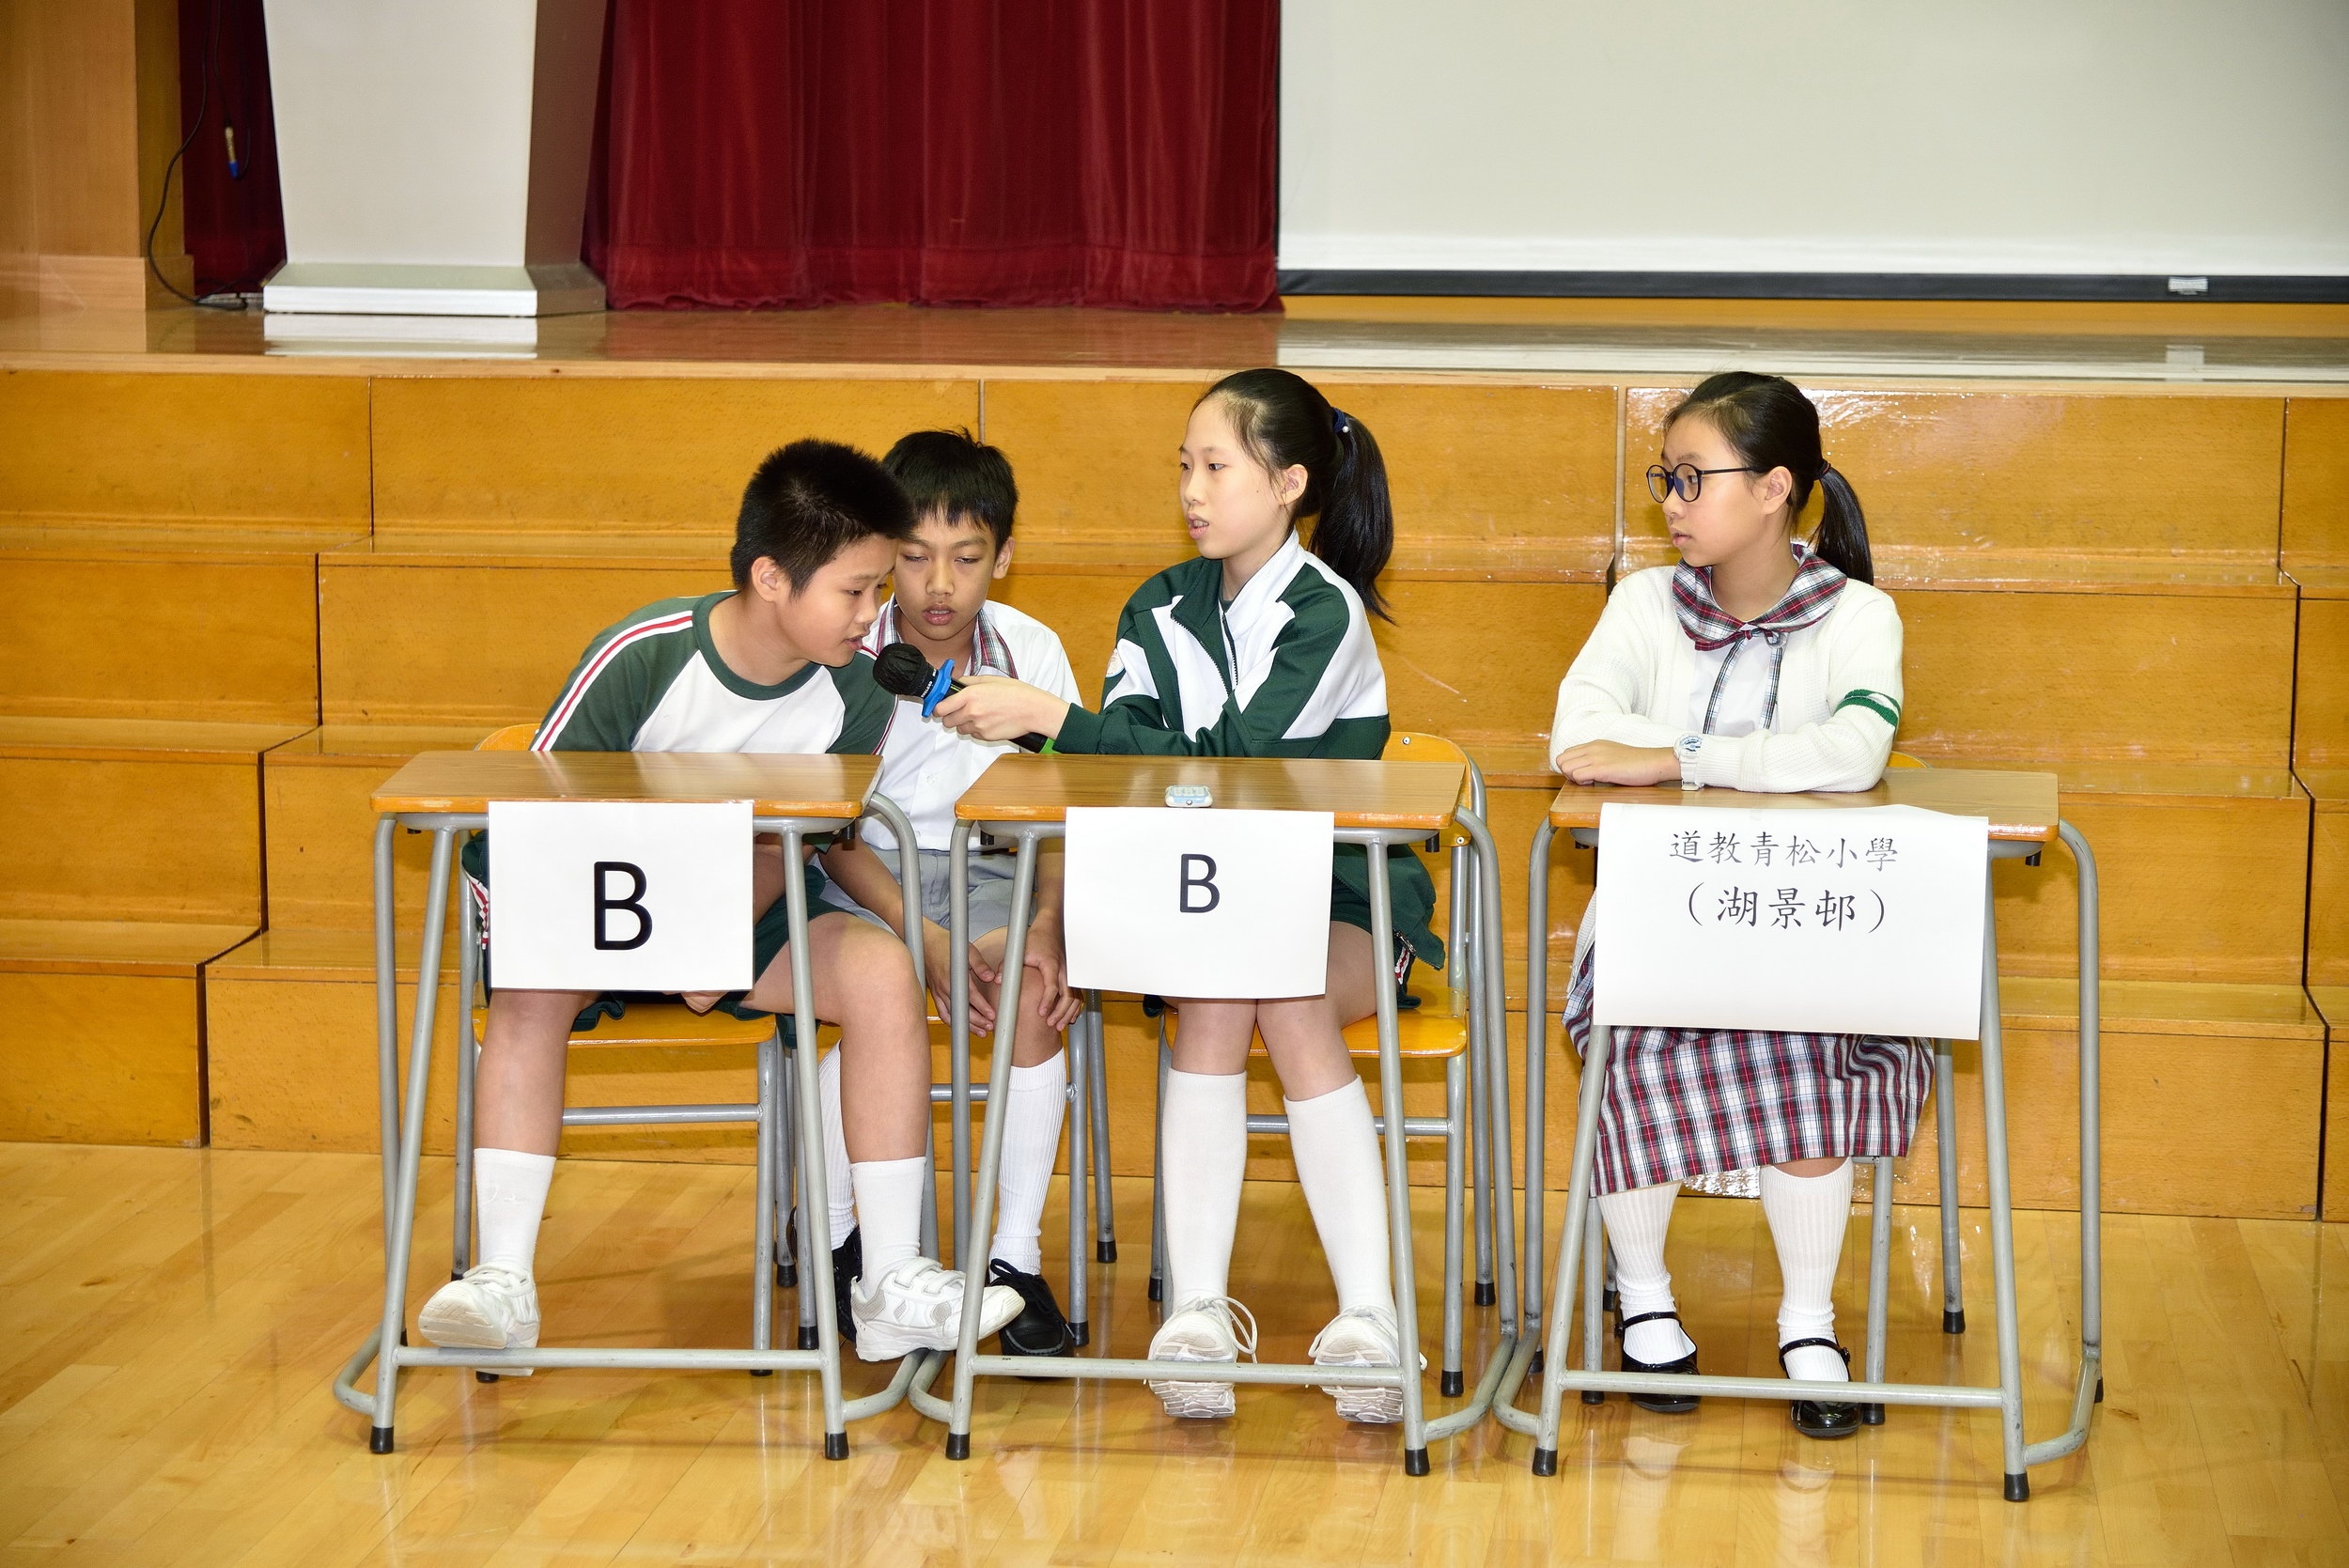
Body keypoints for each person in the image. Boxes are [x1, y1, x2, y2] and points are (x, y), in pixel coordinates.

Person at [420, 439, 1022, 1369]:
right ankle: (502, 1282)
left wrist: (712, 939)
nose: (874, 614)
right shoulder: (642, 656)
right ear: (771, 577)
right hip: (594, 899)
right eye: (854, 590)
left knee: (878, 970)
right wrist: (649, 944)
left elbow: (803, 839)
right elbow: (537, 817)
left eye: (877, 589)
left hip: (745, 908)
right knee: (531, 984)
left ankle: (890, 1279)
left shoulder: (858, 690)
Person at [930, 368, 1443, 1424]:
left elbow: (1233, 760)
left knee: (1285, 991)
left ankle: (1370, 1317)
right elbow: (1129, 770)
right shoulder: (1156, 606)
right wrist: (1094, 739)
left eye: (1217, 466)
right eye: (1184, 466)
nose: (1193, 491)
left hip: (1344, 900)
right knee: (1216, 992)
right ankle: (1198, 1317)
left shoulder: (1326, 612)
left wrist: (1053, 718)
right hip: (1202, 899)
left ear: (1289, 483)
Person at [1548, 370, 1914, 1439]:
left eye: (1692, 478)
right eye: (1665, 477)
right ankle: (1644, 1301)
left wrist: (1680, 758)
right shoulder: (1642, 603)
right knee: (1633, 1029)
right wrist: (1766, 761)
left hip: (1804, 926)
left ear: (1773, 488)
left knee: (1815, 1039)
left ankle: (1809, 1323)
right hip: (1657, 918)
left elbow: (1855, 754)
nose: (1672, 501)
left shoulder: (1860, 614)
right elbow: (1575, 736)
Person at [809, 427, 1086, 1361]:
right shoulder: (843, 645)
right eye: (914, 557)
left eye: (965, 559)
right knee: (874, 987)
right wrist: (919, 934)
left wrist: (1047, 923)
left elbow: (1063, 815)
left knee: (1031, 989)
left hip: (999, 872)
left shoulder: (1033, 650)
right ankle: (846, 1243)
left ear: (1002, 557)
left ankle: (1015, 1259)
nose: (938, 585)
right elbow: (831, 832)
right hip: (870, 875)